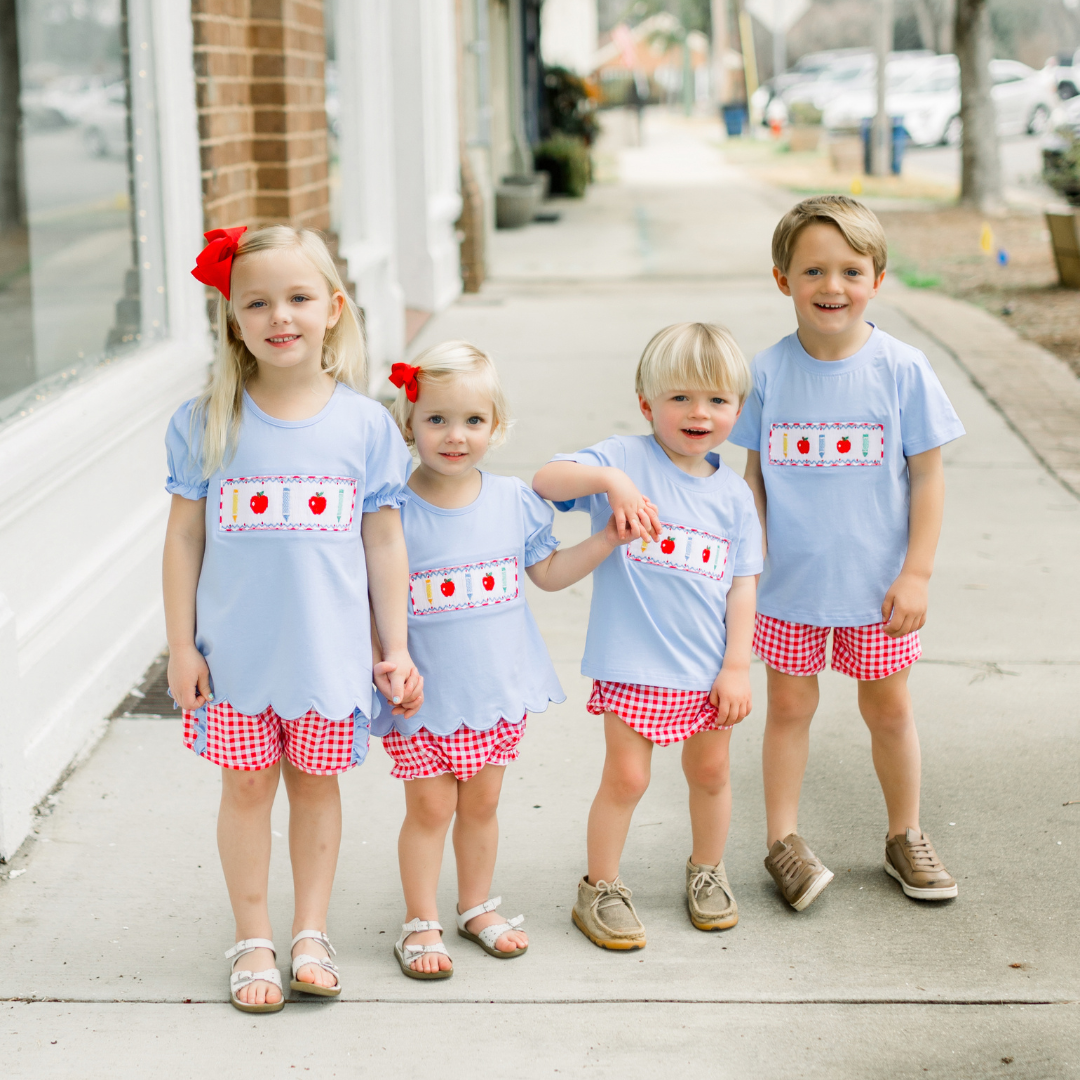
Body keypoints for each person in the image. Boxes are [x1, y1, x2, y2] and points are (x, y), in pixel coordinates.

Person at [163, 225, 421, 1012]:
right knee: (245, 792)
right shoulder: (208, 421)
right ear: (233, 319)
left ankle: (311, 931)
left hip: (327, 656)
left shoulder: (366, 426)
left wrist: (395, 645)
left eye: (300, 298)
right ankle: (254, 936)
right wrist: (180, 645)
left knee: (316, 791)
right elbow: (183, 538)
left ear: (334, 308)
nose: (281, 315)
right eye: (258, 302)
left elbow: (383, 541)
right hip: (236, 657)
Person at [731, 195, 965, 910]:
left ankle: (904, 835)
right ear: (783, 280)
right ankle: (784, 843)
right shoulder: (767, 374)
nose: (832, 287)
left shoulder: (902, 369)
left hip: (877, 589)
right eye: (813, 271)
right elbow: (753, 483)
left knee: (888, 710)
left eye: (850, 271)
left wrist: (917, 573)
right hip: (788, 588)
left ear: (877, 278)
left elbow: (927, 476)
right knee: (790, 708)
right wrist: (747, 567)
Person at [378, 341, 631, 978]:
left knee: (484, 804)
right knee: (430, 808)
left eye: (472, 421)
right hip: (425, 695)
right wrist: (388, 662)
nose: (454, 436)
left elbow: (545, 571)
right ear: (408, 424)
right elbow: (372, 600)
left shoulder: (513, 499)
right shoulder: (391, 512)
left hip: (494, 689)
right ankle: (420, 921)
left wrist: (602, 539)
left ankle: (475, 906)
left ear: (497, 426)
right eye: (436, 419)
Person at [533, 323, 762, 950]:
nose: (699, 413)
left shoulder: (735, 496)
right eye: (681, 397)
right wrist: (610, 483)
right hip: (634, 663)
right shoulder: (624, 460)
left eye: (717, 400)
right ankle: (599, 887)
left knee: (712, 773)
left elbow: (743, 584)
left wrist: (736, 666)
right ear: (647, 404)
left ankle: (707, 871)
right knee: (627, 780)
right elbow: (546, 481)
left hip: (708, 666)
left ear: (737, 412)